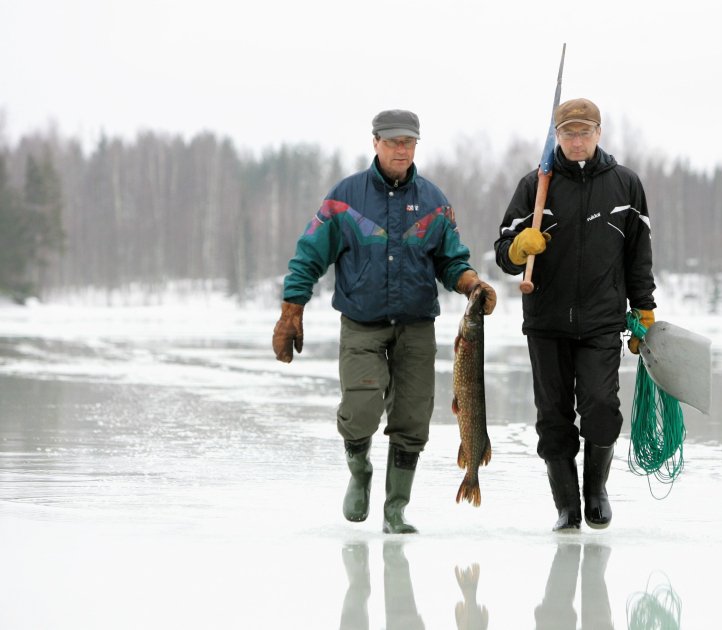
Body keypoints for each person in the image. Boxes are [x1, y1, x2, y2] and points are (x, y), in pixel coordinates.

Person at [272, 109, 496, 534]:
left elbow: (451, 260)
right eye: (393, 141)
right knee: (360, 411)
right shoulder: (345, 198)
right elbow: (309, 254)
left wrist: (470, 284)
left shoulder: (434, 202)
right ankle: (360, 472)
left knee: (413, 419)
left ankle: (396, 509)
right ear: (375, 142)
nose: (401, 149)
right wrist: (291, 309)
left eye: (408, 142)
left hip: (416, 326)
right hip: (362, 323)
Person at [494, 98, 656, 532]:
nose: (577, 141)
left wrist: (644, 309)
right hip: (546, 321)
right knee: (553, 416)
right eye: (568, 133)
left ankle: (595, 491)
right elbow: (502, 254)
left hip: (603, 320)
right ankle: (567, 505)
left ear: (600, 133)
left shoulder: (625, 185)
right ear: (557, 136)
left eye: (585, 132)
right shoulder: (535, 186)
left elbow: (639, 257)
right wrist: (518, 247)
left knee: (602, 407)